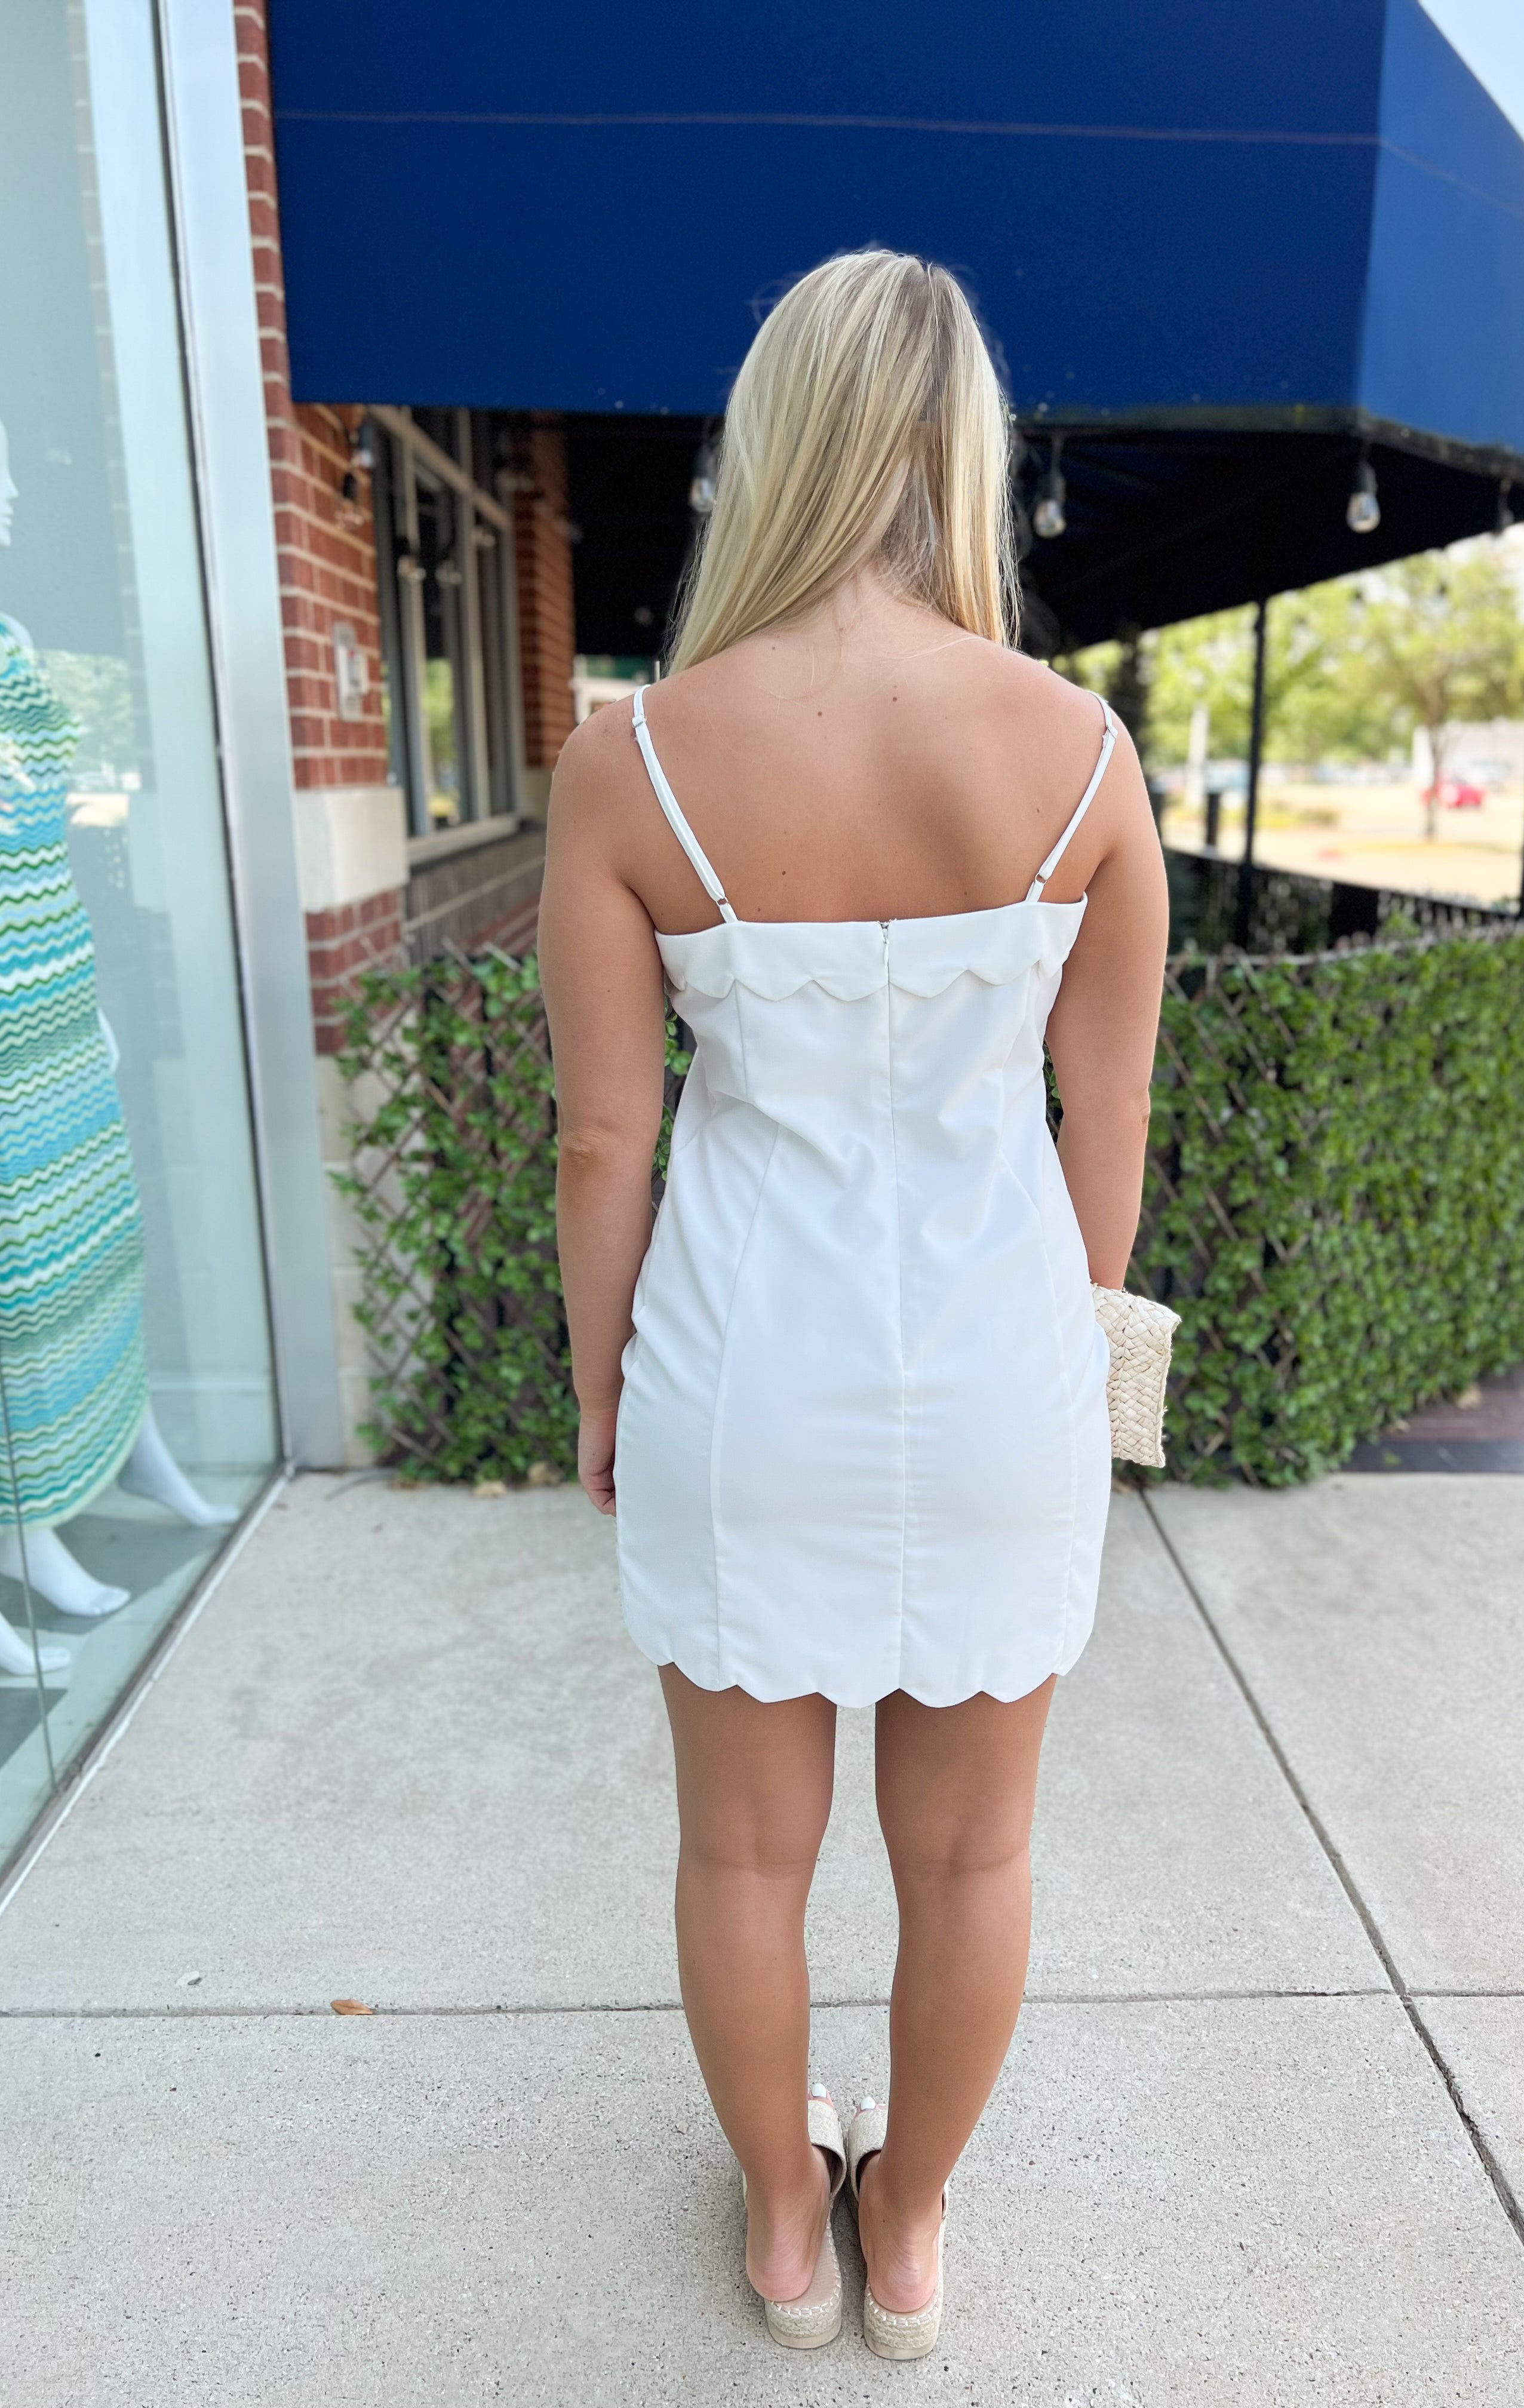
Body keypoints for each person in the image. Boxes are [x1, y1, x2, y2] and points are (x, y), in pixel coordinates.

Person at [540, 248, 1166, 2357]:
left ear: (773, 444)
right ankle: (904, 2240)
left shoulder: (640, 760)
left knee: (744, 1852)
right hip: (994, 1365)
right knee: (973, 1861)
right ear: (966, 460)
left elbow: (605, 1148)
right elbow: (1109, 1118)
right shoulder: (1083, 758)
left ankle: (783, 2243)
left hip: (737, 1361)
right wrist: (1065, 1359)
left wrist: (602, 1389)